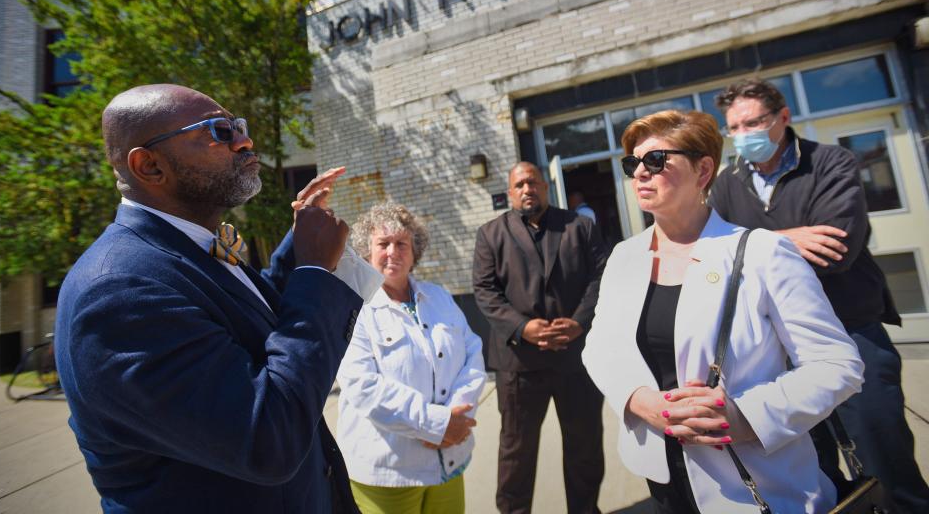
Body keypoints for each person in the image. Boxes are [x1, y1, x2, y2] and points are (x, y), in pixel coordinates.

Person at [54, 84, 366, 513]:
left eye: (239, 126)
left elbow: (252, 329)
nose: (245, 141)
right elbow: (266, 439)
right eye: (219, 131)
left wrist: (297, 245)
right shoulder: (119, 292)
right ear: (150, 166)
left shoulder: (184, 248)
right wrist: (312, 273)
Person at [582, 109, 864, 513]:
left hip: (759, 482)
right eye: (633, 163)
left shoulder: (764, 252)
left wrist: (743, 416)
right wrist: (643, 403)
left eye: (656, 160)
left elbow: (836, 363)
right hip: (663, 477)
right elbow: (600, 348)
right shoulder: (625, 257)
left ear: (703, 170)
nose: (640, 172)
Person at [709, 78, 929, 513]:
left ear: (783, 118)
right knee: (815, 468)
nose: (744, 135)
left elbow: (837, 248)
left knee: (884, 455)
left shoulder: (831, 162)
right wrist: (786, 237)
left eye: (754, 122)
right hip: (777, 346)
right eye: (734, 127)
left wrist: (748, 245)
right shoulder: (727, 184)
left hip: (851, 329)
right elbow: (716, 256)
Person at [472, 162, 609, 514]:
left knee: (585, 449)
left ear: (546, 186)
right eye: (519, 185)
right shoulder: (491, 234)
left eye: (532, 182)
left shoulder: (580, 227)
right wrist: (521, 327)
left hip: (575, 359)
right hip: (520, 364)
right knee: (517, 453)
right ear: (510, 191)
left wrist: (579, 322)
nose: (526, 189)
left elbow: (600, 278)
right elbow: (485, 291)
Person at [336, 201, 487, 514]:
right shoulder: (352, 307)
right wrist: (438, 424)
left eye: (402, 243)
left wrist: (457, 416)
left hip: (449, 460)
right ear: (367, 251)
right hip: (389, 473)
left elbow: (472, 353)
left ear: (414, 250)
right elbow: (362, 386)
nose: (393, 252)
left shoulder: (439, 297)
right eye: (383, 244)